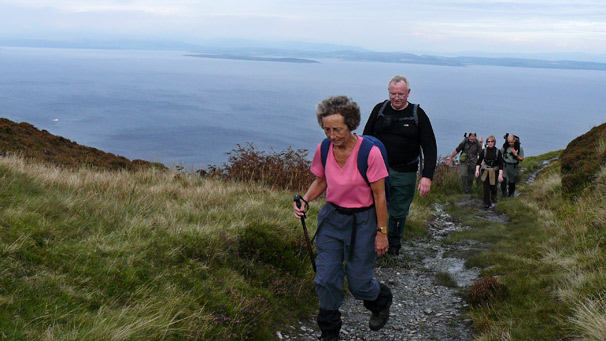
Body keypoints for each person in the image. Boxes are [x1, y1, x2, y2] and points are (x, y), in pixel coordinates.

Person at [294, 96, 392, 340]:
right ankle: (329, 332)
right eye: (326, 129)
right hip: (332, 219)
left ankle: (380, 300)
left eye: (337, 129)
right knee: (325, 278)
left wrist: (382, 233)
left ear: (351, 125)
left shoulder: (369, 153)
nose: (331, 135)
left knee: (359, 283)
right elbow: (321, 180)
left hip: (363, 221)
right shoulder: (324, 148)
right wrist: (305, 201)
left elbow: (380, 196)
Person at [362, 75, 437, 256]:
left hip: (405, 171)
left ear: (408, 93)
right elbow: (365, 139)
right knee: (372, 205)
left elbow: (430, 146)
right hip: (377, 171)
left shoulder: (418, 114)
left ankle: (393, 244)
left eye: (400, 94)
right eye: (393, 93)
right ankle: (374, 241)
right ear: (388, 92)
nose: (396, 98)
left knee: (398, 210)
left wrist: (426, 176)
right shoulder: (379, 110)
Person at [475, 135, 504, 208]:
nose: (490, 143)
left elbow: (501, 164)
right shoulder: (484, 151)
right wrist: (477, 170)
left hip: (494, 171)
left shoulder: (498, 152)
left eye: (492, 141)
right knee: (486, 187)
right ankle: (486, 203)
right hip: (485, 171)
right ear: (487, 142)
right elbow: (478, 162)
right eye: (489, 141)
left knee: (493, 187)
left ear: (494, 142)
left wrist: (500, 175)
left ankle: (494, 201)